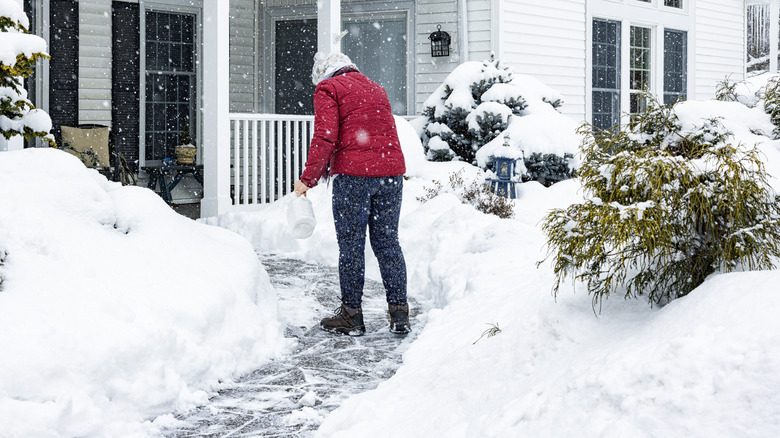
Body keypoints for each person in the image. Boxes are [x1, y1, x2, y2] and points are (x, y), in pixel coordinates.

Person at [293, 52, 409, 336]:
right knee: (387, 242)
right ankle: (399, 313)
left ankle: (352, 315)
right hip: (390, 174)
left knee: (352, 245)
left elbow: (325, 135)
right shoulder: (375, 86)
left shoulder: (328, 88)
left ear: (322, 73)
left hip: (354, 177)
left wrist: (307, 179)